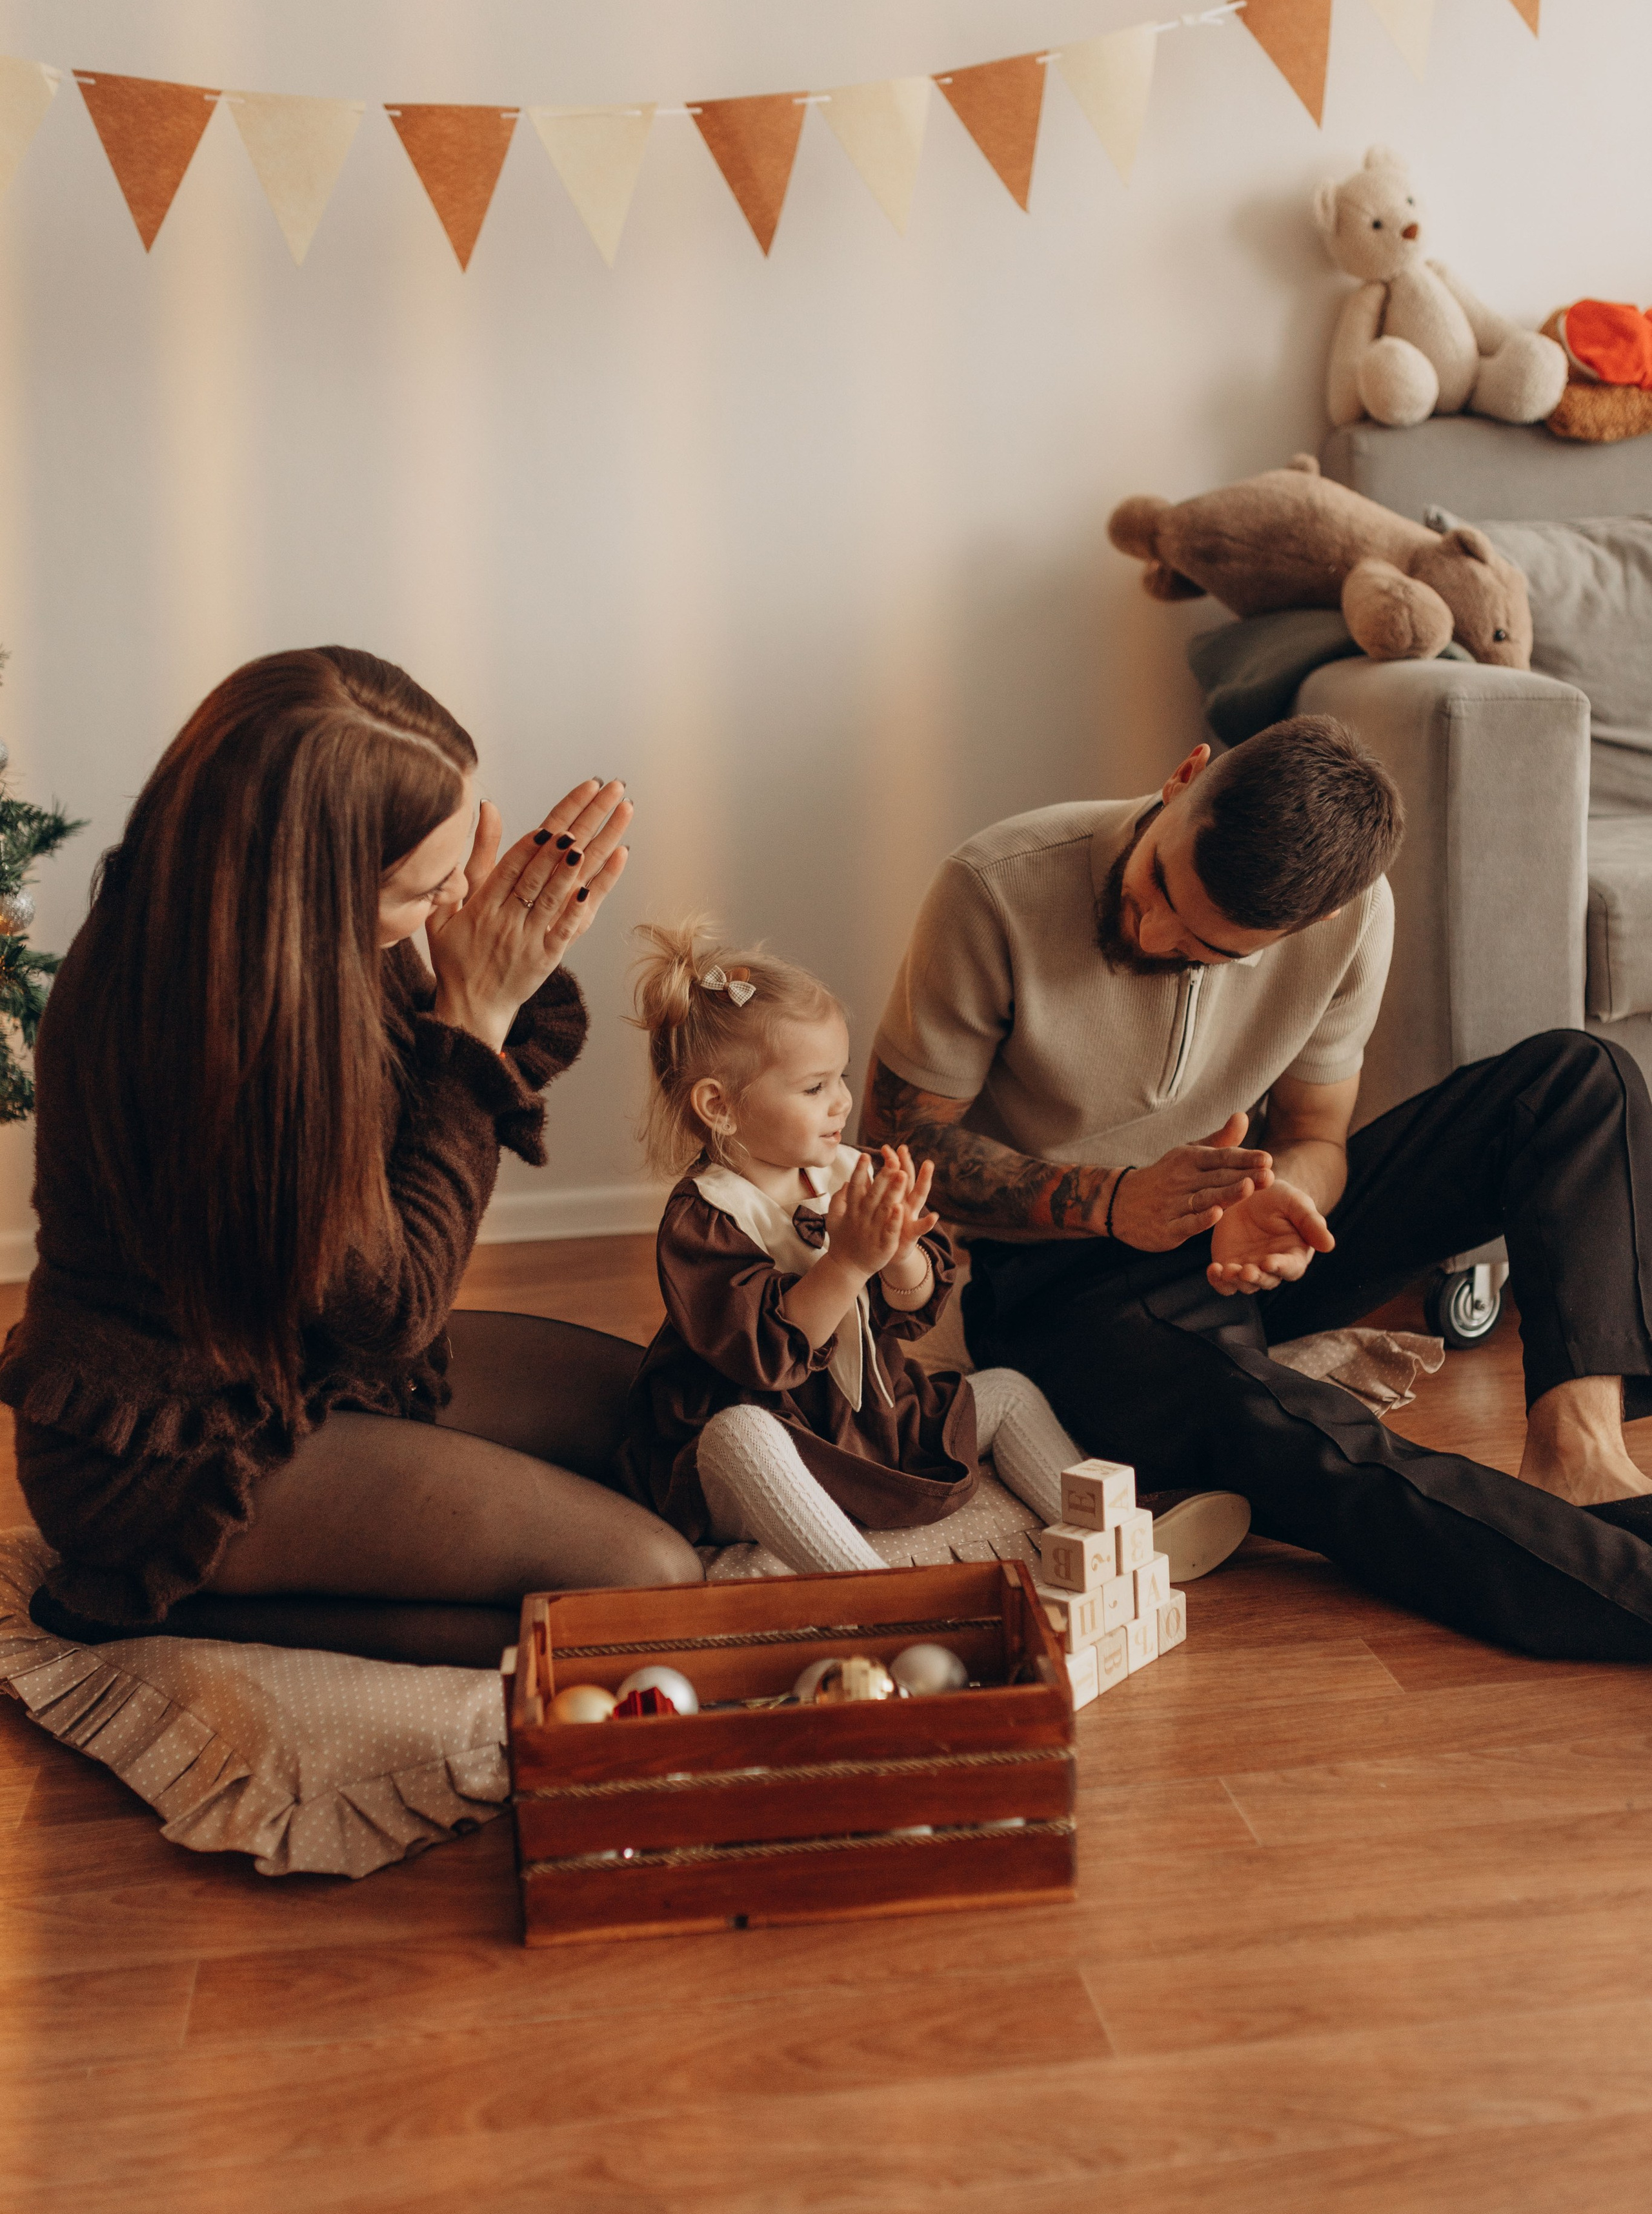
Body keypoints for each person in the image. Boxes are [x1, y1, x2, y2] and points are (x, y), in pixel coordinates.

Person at [862, 713, 1652, 1661]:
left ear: (1304, 926)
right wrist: (1116, 1202)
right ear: (1184, 776)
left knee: (1576, 1082)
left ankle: (1577, 1452)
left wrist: (1283, 1203)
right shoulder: (992, 889)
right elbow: (901, 1143)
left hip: (1226, 1236)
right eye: (1160, 884)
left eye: (1210, 947)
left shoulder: (1354, 917)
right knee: (1307, 1436)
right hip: (1052, 1285)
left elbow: (1317, 1133)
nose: (1153, 930)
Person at [10, 647, 702, 1667]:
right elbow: (392, 1315)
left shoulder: (284, 923)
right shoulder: (214, 1035)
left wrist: (479, 978)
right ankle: (160, 1604)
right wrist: (473, 1017)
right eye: (428, 886)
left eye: (467, 846)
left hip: (298, 1359)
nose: (463, 890)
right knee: (652, 1580)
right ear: (316, 886)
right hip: (164, 1448)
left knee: (678, 1419)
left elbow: (449, 1082)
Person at [621, 919, 1087, 1572]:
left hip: (870, 1419)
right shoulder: (707, 1217)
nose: (842, 1102)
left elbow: (912, 1311)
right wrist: (845, 1262)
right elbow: (764, 1358)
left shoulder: (849, 1171)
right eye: (814, 1088)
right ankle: (864, 1586)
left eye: (840, 1077)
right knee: (738, 1438)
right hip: (772, 1428)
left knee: (1008, 1390)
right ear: (719, 1107)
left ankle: (1103, 1535)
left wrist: (900, 1256)